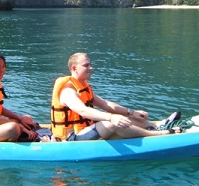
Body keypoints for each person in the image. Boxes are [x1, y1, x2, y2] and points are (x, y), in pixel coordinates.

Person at [51, 52, 182, 141]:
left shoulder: (82, 86)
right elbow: (82, 110)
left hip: (85, 128)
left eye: (90, 64)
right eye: (86, 65)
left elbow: (105, 104)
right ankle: (155, 134)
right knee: (111, 123)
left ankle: (155, 125)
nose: (91, 68)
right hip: (71, 138)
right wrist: (111, 118)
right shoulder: (67, 90)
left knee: (122, 118)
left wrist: (131, 112)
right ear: (74, 68)